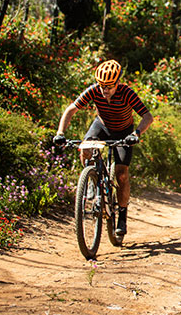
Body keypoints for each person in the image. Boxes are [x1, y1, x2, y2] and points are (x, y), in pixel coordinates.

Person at [53, 60, 153, 236]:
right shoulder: (93, 91)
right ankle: (91, 179)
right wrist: (60, 132)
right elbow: (70, 110)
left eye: (109, 86)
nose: (104, 90)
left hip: (124, 131)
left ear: (117, 84)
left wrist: (136, 133)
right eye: (102, 86)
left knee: (121, 174)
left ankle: (122, 215)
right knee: (85, 148)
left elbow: (147, 117)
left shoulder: (127, 93)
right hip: (102, 126)